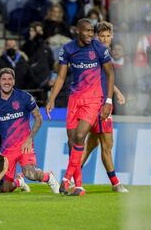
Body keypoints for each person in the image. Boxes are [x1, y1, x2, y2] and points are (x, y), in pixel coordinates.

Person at [46, 18, 114, 196]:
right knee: (72, 141)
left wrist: (108, 100)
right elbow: (60, 78)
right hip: (74, 99)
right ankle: (79, 186)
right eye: (87, 31)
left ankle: (66, 179)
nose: (91, 34)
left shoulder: (99, 48)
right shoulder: (68, 49)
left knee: (80, 135)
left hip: (93, 99)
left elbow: (110, 73)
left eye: (92, 31)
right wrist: (51, 99)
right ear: (78, 31)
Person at [0, 68, 60, 193]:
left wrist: (29, 139)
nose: (7, 82)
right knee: (4, 189)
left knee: (30, 173)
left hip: (25, 145)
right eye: (4, 79)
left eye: (10, 79)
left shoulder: (24, 97)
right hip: (6, 150)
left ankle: (49, 177)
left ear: (14, 81)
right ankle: (19, 181)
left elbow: (39, 118)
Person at [80, 21, 128, 193]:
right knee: (107, 145)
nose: (105, 39)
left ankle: (70, 177)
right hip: (99, 105)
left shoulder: (101, 52)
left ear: (112, 36)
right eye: (102, 36)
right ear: (96, 36)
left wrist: (117, 92)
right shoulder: (96, 53)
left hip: (99, 103)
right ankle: (115, 184)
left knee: (91, 144)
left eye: (108, 36)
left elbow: (105, 78)